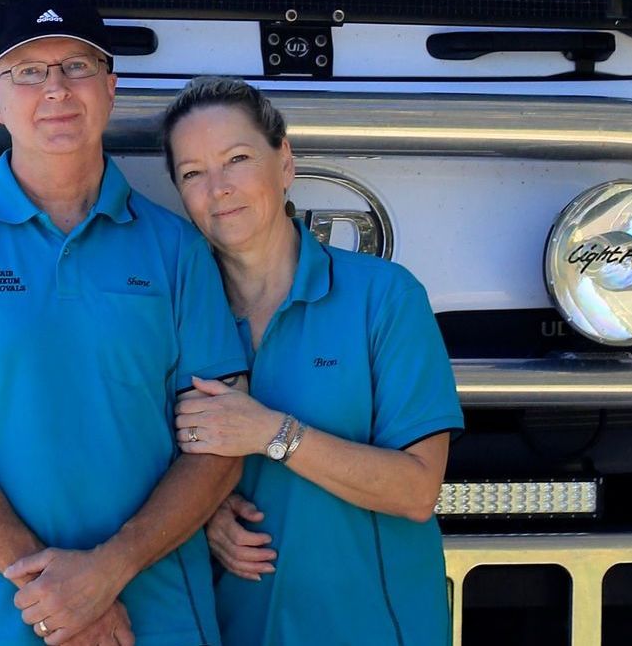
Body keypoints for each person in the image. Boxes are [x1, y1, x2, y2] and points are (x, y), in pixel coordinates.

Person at [0, 0, 249, 646]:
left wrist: (107, 572)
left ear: (109, 89)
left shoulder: (176, 249)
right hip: (2, 621)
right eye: (28, 72)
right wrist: (55, 594)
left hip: (155, 620)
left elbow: (220, 444)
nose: (55, 88)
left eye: (76, 66)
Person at [163, 76, 462, 646]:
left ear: (285, 163)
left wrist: (272, 432)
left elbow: (416, 490)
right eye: (193, 173)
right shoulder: (174, 318)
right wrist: (202, 512)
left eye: (238, 159)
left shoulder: (385, 297)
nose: (219, 188)